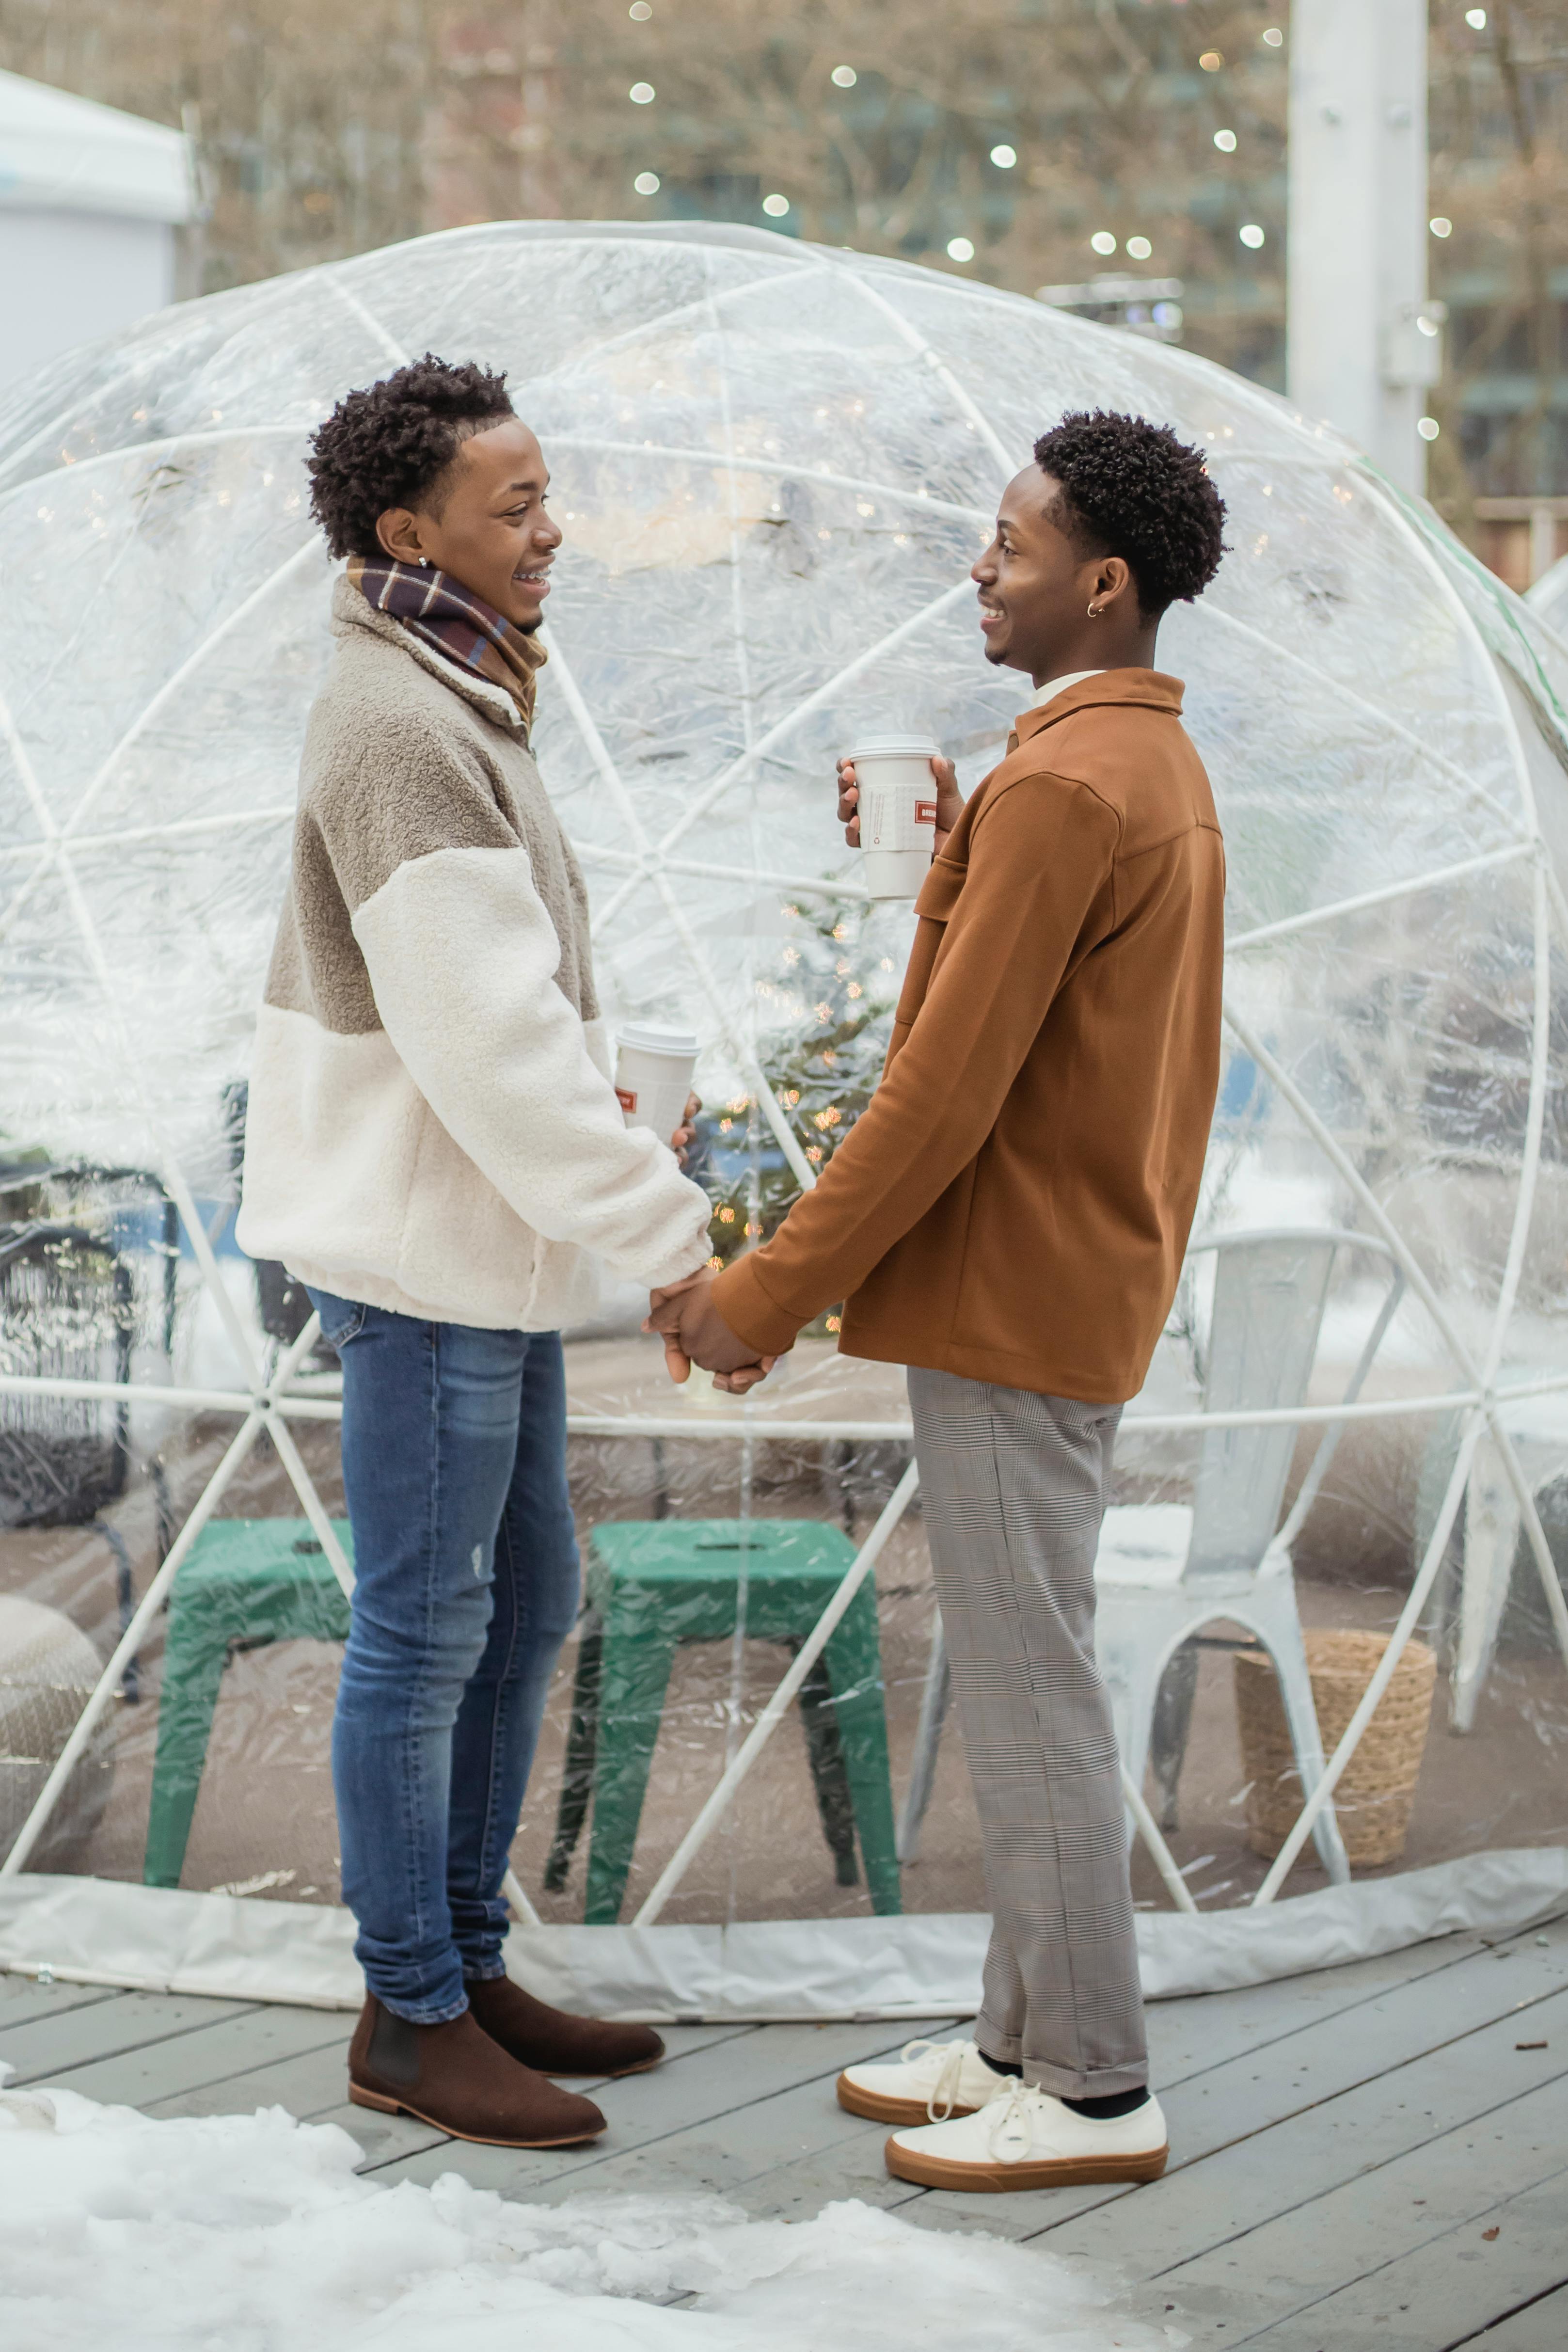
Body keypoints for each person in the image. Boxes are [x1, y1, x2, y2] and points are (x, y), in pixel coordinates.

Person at [648, 410, 1227, 2193]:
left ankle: (1098, 2084)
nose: (982, 567)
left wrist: (762, 1291)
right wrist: (936, 869)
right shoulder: (1126, 768)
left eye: (1012, 542)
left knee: (1029, 1682)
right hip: (1068, 1276)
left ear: (1102, 581)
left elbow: (941, 1093)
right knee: (1020, 1659)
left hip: (1013, 1295)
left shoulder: (1060, 785)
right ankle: (1017, 2038)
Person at [237, 355, 714, 2150]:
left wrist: (589, 1146)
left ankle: (462, 1957)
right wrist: (671, 1237)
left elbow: (492, 1018)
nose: (551, 529)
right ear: (404, 527)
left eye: (543, 497)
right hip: (421, 1267)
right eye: (515, 505)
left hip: (486, 1256)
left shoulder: (460, 694)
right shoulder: (397, 722)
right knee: (425, 1632)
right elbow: (484, 1043)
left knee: (526, 1609)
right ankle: (406, 2011)